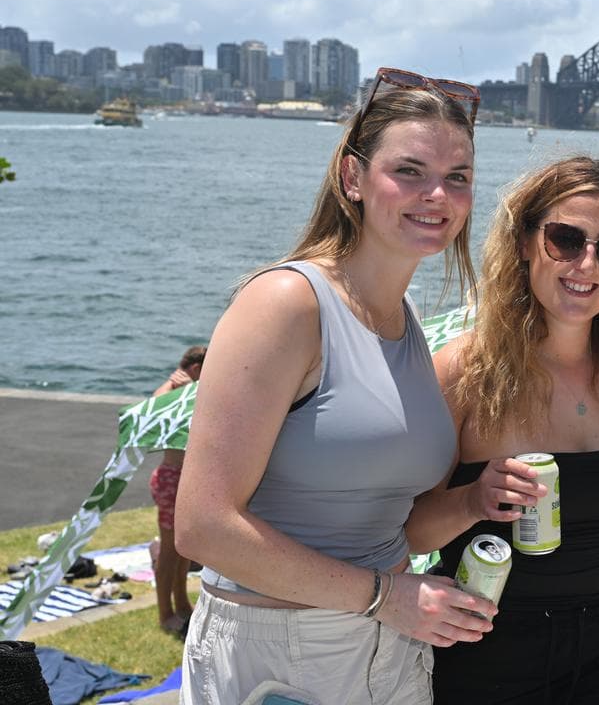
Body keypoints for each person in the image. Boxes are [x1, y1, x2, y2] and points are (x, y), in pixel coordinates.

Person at [174, 67, 497, 705]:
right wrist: (383, 597)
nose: (437, 194)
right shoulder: (287, 304)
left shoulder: (401, 323)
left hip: (389, 646)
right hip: (282, 653)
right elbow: (202, 527)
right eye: (409, 170)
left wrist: (473, 503)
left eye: (457, 177)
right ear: (352, 177)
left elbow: (384, 526)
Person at [415, 156, 599, 703]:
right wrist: (474, 500)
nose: (586, 264)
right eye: (565, 239)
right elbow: (405, 533)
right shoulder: (464, 372)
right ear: (523, 242)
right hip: (489, 648)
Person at [149, 344, 205, 635]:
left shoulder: (192, 394)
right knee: (169, 551)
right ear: (195, 369)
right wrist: (173, 381)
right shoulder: (174, 391)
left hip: (187, 477)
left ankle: (182, 604)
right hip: (172, 478)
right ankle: (164, 614)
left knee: (184, 547)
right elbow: (151, 408)